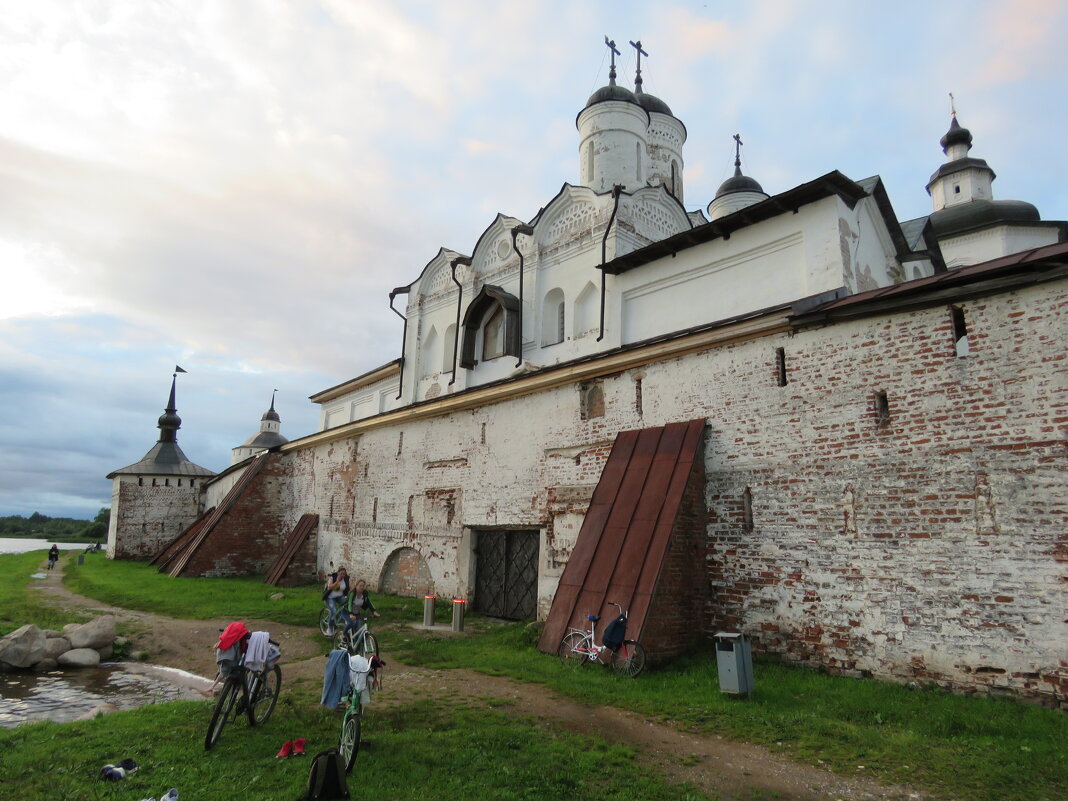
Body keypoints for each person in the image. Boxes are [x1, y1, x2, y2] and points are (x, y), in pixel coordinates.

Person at [323, 567, 349, 635]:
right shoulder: (333, 577)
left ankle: (343, 617)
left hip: (339, 597)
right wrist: (337, 581)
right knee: (333, 611)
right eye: (341, 574)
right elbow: (330, 587)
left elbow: (348, 587)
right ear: (338, 573)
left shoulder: (346, 579)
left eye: (344, 574)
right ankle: (330, 628)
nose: (342, 575)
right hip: (330, 597)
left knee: (348, 602)